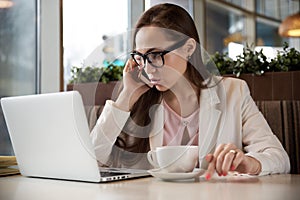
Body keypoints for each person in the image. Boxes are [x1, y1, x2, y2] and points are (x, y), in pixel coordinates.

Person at [90, 3, 290, 180]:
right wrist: (126, 96)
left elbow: (278, 157)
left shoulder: (233, 92)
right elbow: (93, 161)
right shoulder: (139, 101)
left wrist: (250, 162)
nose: (148, 68)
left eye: (156, 55)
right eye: (140, 57)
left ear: (188, 48)